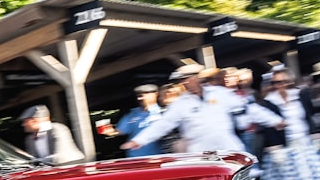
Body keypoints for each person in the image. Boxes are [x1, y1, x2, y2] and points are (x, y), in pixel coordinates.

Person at [121, 62, 284, 155]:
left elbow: (249, 109)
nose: (184, 83)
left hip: (229, 148)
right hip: (200, 153)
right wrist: (139, 140)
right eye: (181, 81)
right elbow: (163, 124)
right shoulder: (180, 103)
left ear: (197, 78)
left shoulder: (220, 93)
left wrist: (274, 120)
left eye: (187, 79)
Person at [18, 104, 85, 165]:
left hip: (72, 167)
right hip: (52, 171)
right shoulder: (29, 139)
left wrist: (37, 161)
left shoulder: (57, 129)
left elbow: (60, 156)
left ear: (34, 120)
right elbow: (32, 159)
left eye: (25, 121)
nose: (23, 124)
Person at [111, 83, 166, 156]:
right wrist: (110, 131)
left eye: (143, 95)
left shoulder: (164, 113)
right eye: (138, 96)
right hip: (134, 158)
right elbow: (120, 131)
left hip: (157, 157)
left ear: (155, 94)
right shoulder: (132, 114)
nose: (140, 98)